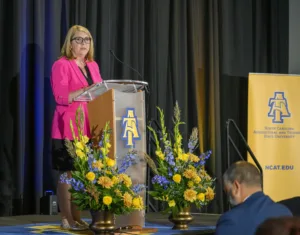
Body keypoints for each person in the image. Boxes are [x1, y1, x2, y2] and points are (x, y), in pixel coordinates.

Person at [50, 25, 102, 230]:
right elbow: (61, 97)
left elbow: (100, 93)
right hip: (68, 125)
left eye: (87, 40)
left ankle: (79, 217)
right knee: (67, 173)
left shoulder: (93, 65)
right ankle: (66, 218)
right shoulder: (61, 65)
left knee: (83, 174)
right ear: (69, 43)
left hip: (90, 126)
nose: (83, 44)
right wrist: (86, 90)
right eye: (78, 40)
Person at [215, 161, 292, 235]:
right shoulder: (285, 212)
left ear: (236, 186)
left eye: (227, 191)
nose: (228, 198)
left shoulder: (231, 220)